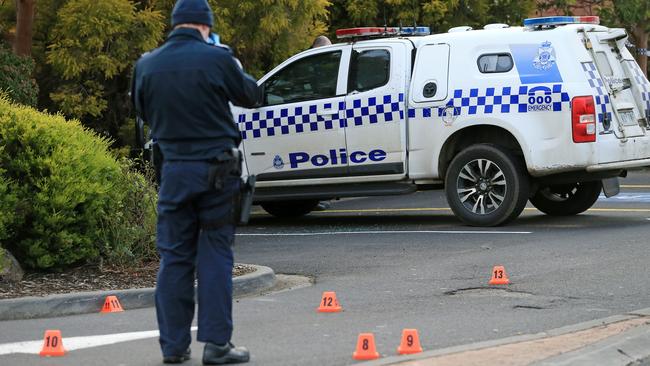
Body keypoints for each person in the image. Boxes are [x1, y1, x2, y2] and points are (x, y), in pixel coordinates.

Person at [131, 0, 262, 364]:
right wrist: (230, 62)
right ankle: (218, 346)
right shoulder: (217, 58)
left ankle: (173, 348)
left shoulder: (147, 64)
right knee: (216, 254)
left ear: (175, 25)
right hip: (217, 173)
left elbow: (141, 109)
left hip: (173, 172)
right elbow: (252, 96)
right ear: (205, 26)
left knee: (174, 258)